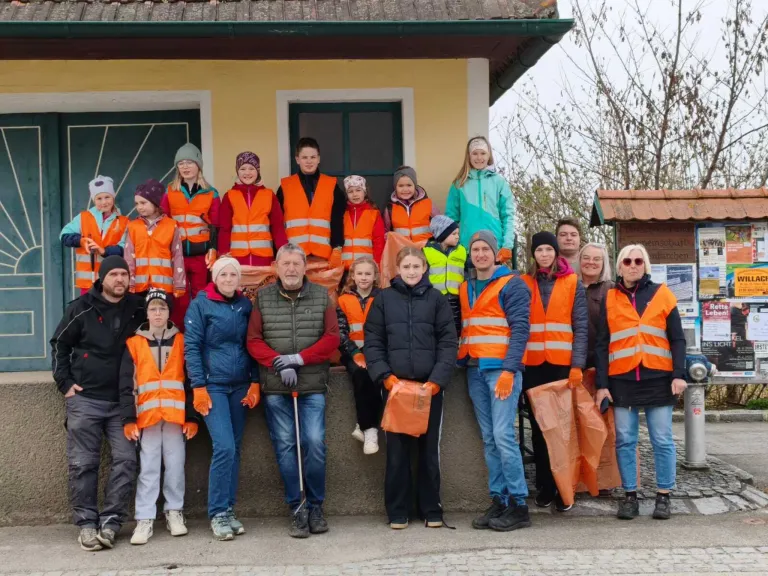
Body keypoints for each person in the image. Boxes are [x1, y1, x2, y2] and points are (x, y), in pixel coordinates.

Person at [50, 256, 146, 551]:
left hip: (123, 403)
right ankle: (87, 525)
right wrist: (65, 383)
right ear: (102, 277)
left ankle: (111, 522)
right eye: (114, 274)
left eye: (124, 274)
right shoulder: (80, 308)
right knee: (83, 464)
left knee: (127, 460)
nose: (120, 279)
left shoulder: (137, 308)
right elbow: (59, 345)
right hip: (86, 399)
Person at [247, 243, 340, 538]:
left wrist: (299, 359)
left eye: (296, 264)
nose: (290, 269)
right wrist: (278, 363)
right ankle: (296, 507)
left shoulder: (321, 295)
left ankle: (315, 506)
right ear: (276, 267)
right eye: (285, 264)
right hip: (276, 387)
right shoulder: (262, 298)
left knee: (313, 442)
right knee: (286, 445)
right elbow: (253, 340)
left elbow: (331, 338)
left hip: (312, 384)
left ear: (304, 267)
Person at [364, 247, 457, 530]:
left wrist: (438, 380)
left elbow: (448, 342)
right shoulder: (384, 299)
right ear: (398, 269)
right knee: (397, 452)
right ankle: (398, 510)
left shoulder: (437, 300)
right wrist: (385, 376)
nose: (412, 272)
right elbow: (373, 341)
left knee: (429, 451)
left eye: (417, 266)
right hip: (396, 388)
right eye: (407, 267)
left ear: (425, 268)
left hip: (429, 388)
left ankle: (431, 508)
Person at [594, 244, 687, 521]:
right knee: (624, 440)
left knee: (662, 440)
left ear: (645, 265)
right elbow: (601, 345)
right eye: (627, 261)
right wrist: (602, 384)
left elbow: (677, 339)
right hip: (622, 380)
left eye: (638, 261)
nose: (633, 265)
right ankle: (630, 496)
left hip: (658, 379)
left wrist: (679, 374)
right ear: (620, 266)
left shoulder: (663, 295)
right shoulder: (609, 298)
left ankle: (663, 495)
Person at [457, 231, 532, 532]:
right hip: (474, 370)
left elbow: (520, 329)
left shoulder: (512, 284)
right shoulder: (466, 287)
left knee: (503, 436)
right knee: (490, 439)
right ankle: (499, 499)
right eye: (475, 249)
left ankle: (519, 504)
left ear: (496, 253)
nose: (480, 254)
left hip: (501, 371)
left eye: (485, 249)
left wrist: (510, 370)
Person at [184, 257, 260, 541]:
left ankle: (229, 509)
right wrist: (198, 386)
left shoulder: (244, 305)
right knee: (224, 446)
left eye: (233, 274)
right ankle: (217, 512)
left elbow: (251, 344)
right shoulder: (201, 304)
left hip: (239, 385)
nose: (229, 279)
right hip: (213, 385)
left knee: (235, 449)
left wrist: (254, 381)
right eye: (223, 274)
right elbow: (191, 347)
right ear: (215, 277)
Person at [119, 288, 199, 546]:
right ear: (147, 312)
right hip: (147, 417)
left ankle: (174, 511)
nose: (157, 313)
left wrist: (192, 418)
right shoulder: (134, 343)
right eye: (153, 308)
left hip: (176, 418)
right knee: (149, 467)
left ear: (169, 312)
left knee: (176, 465)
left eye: (162, 308)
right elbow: (126, 384)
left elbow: (191, 381)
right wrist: (129, 419)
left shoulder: (182, 341)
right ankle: (144, 517)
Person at [521, 231, 588, 512]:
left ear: (556, 253)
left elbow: (581, 327)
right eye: (540, 250)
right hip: (533, 366)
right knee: (538, 429)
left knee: (563, 429)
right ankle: (545, 486)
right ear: (533, 255)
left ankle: (565, 487)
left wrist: (577, 366)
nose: (544, 255)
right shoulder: (524, 283)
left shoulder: (573, 282)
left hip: (562, 366)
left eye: (549, 249)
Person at [161, 144, 220, 326]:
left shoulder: (211, 193)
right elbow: (163, 222)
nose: (185, 167)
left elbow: (217, 226)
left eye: (190, 162)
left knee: (202, 295)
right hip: (177, 256)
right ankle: (180, 336)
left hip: (201, 256)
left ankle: (202, 332)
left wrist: (213, 249)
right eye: (181, 163)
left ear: (199, 166)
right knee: (180, 298)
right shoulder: (170, 191)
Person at [276, 138, 347, 269]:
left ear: (319, 159)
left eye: (313, 157)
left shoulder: (331, 186)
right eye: (304, 157)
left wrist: (337, 247)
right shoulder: (285, 187)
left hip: (323, 256)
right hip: (293, 257)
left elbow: (338, 220)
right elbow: (276, 222)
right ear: (297, 159)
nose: (309, 161)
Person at [337, 256, 382, 454]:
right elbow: (340, 331)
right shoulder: (343, 300)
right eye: (360, 273)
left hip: (377, 352)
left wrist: (372, 353)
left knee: (377, 376)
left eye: (368, 274)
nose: (364, 277)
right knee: (361, 374)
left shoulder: (383, 298)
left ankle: (363, 425)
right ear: (353, 276)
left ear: (375, 276)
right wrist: (354, 352)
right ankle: (370, 430)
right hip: (352, 351)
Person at [445, 136, 515, 264]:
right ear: (469, 156)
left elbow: (508, 216)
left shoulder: (499, 182)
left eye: (483, 153)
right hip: (466, 250)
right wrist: (454, 244)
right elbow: (451, 219)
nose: (479, 157)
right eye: (475, 153)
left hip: (495, 248)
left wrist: (507, 245)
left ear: (489, 155)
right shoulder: (458, 184)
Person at [60, 176, 129, 294]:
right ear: (93, 200)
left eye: (107, 197)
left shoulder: (124, 222)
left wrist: (104, 251)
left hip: (113, 282)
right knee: (88, 312)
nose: (104, 202)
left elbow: (124, 248)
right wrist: (81, 241)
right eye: (99, 198)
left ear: (113, 197)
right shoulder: (83, 217)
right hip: (88, 283)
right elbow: (64, 236)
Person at [218, 151, 288, 266]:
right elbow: (224, 229)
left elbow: (278, 228)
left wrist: (283, 254)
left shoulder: (269, 195)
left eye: (251, 168)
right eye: (242, 169)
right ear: (237, 171)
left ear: (258, 170)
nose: (247, 172)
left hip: (264, 259)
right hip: (237, 260)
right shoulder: (229, 196)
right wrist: (223, 255)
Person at [126, 179, 186, 299]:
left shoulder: (171, 225)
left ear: (155, 203)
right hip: (139, 288)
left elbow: (177, 256)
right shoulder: (132, 226)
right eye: (137, 204)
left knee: (160, 317)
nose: (139, 207)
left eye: (143, 203)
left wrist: (179, 284)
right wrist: (129, 283)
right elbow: (128, 258)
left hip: (164, 287)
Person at [423, 215, 466, 335]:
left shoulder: (462, 251)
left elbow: (468, 271)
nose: (457, 236)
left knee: (455, 329)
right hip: (434, 299)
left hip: (456, 299)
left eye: (458, 233)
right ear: (442, 234)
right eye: (453, 233)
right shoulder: (427, 251)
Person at [579, 242, 614, 368]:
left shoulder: (612, 289)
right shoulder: (569, 286)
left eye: (597, 259)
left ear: (603, 263)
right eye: (586, 258)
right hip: (571, 360)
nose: (591, 262)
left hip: (603, 360)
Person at [383, 166, 440, 242]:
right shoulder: (390, 208)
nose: (405, 189)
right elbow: (385, 232)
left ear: (415, 186)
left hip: (425, 251)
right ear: (395, 187)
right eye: (401, 186)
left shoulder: (428, 204)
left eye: (409, 185)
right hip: (402, 251)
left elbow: (441, 226)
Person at [342, 175, 386, 268]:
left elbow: (379, 242)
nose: (354, 194)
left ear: (364, 192)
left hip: (366, 267)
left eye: (358, 190)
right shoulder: (342, 213)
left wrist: (377, 265)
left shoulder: (374, 213)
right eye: (350, 191)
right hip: (344, 268)